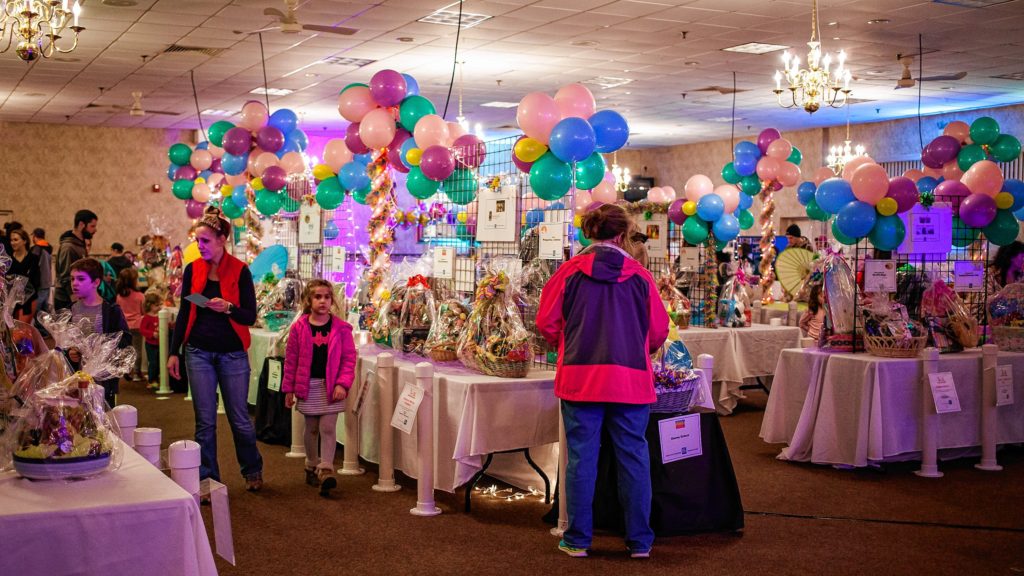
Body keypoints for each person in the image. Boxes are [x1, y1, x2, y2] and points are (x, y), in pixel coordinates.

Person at [536, 204, 669, 559]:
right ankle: (640, 541)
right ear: (622, 234)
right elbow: (658, 331)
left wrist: (568, 341)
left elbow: (546, 323)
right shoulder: (640, 276)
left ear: (588, 233)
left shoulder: (567, 273)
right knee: (634, 458)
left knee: (581, 459)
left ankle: (578, 539)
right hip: (631, 381)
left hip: (580, 378)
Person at [168, 206, 263, 492]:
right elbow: (185, 311)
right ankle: (209, 479)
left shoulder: (240, 271)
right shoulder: (192, 269)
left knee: (239, 419)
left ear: (222, 239)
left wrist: (230, 307)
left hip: (232, 353)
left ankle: (252, 469)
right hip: (198, 352)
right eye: (197, 241)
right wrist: (175, 351)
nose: (200, 246)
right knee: (205, 422)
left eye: (205, 241)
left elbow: (250, 316)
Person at [282, 279, 356, 498]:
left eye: (326, 297)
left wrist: (343, 383)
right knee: (312, 429)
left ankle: (325, 468)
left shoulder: (341, 329)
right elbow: (291, 360)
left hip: (331, 387)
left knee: (328, 427)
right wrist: (289, 389)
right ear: (308, 300)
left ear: (332, 300)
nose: (323, 301)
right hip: (308, 386)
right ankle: (311, 464)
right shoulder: (299, 328)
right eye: (318, 297)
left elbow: (348, 359)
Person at [67, 258, 131, 407]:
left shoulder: (111, 310)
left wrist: (105, 347)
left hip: (104, 381)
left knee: (104, 421)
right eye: (72, 279)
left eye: (81, 279)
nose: (74, 283)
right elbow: (64, 344)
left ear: (96, 282)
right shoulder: (70, 310)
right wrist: (69, 353)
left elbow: (125, 340)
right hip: (76, 379)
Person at [55, 210, 98, 310]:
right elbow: (66, 277)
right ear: (81, 224)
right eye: (92, 226)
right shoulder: (69, 247)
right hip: (67, 300)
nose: (95, 230)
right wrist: (76, 302)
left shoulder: (79, 244)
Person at [116, 268, 146, 382]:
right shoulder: (140, 296)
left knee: (126, 349)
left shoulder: (119, 296)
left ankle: (127, 370)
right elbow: (143, 311)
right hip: (137, 325)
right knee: (137, 350)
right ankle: (137, 371)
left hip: (124, 326)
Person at [6, 228, 41, 324]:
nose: (12, 243)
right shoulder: (8, 260)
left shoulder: (33, 258)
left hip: (28, 299)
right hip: (11, 300)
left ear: (24, 241)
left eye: (16, 240)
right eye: (11, 240)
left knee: (22, 329)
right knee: (11, 329)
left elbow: (36, 281)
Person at [139, 292, 166, 390]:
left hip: (161, 343)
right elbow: (142, 329)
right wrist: (151, 334)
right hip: (151, 344)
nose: (159, 307)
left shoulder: (160, 315)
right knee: (153, 362)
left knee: (160, 361)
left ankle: (157, 378)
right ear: (150, 305)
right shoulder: (147, 317)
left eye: (160, 305)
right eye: (156, 305)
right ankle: (151, 380)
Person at [30, 228, 53, 326]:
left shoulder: (36, 249)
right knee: (44, 310)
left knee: (37, 310)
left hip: (39, 283)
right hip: (47, 282)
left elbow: (33, 267)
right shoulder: (48, 247)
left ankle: (42, 332)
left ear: (35, 236)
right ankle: (46, 331)